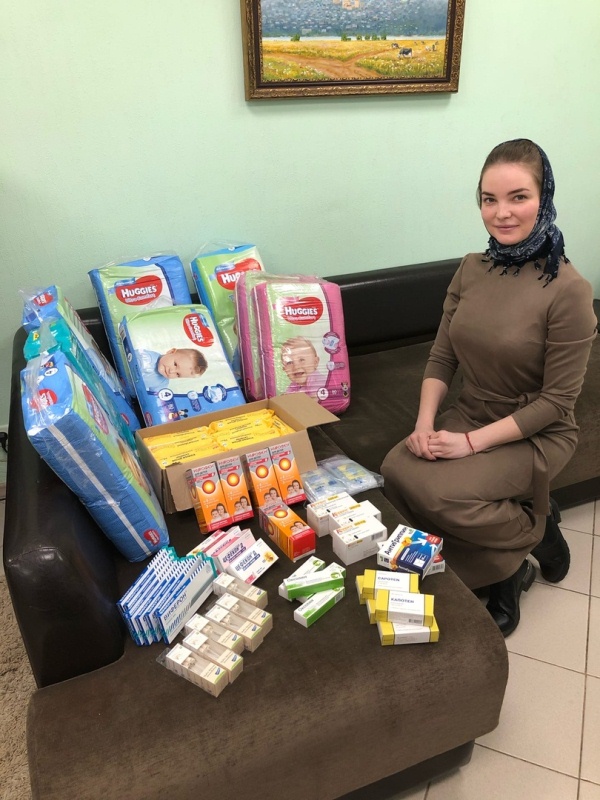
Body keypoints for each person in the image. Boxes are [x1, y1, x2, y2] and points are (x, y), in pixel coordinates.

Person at [381, 138, 597, 637]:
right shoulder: (471, 268)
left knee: (445, 494)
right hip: (473, 409)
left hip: (538, 431)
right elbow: (442, 356)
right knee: (396, 469)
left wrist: (470, 444)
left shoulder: (569, 290)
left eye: (518, 197)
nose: (501, 213)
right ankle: (514, 552)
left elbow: (557, 402)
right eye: (489, 199)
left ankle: (529, 541)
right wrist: (424, 424)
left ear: (544, 197)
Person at [136, 347, 207, 392]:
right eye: (175, 364)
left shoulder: (162, 383)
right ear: (171, 352)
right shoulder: (145, 357)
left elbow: (155, 397)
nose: (171, 371)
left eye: (178, 374)